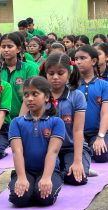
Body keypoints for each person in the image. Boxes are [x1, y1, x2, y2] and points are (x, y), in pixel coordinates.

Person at [8, 76, 65, 207]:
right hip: (25, 171)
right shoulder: (16, 122)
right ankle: (27, 186)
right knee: (19, 199)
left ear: (46, 97)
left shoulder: (57, 122)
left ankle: (39, 187)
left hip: (49, 171)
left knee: (44, 198)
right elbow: (17, 152)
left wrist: (46, 178)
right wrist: (21, 178)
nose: (30, 98)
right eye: (26, 95)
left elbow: (53, 151)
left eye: (35, 94)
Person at [42, 52, 91, 185]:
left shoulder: (77, 96)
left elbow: (78, 131)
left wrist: (77, 161)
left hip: (72, 147)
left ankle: (73, 167)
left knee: (76, 178)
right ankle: (60, 169)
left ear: (68, 74)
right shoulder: (40, 96)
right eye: (51, 73)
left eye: (60, 73)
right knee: (47, 175)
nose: (55, 77)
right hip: (47, 149)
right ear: (46, 74)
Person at [75, 45, 108, 163]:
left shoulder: (104, 85)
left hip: (97, 132)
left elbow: (105, 113)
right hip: (77, 132)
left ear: (94, 61)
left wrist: (100, 137)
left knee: (101, 155)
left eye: (83, 58)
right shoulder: (72, 86)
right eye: (76, 58)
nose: (78, 62)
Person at [0, 32, 38, 120]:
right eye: (3, 47)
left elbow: (30, 95)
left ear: (18, 49)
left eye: (10, 46)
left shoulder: (29, 68)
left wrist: (19, 121)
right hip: (0, 121)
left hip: (25, 118)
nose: (6, 50)